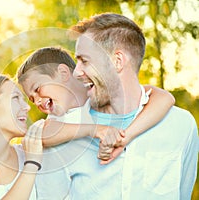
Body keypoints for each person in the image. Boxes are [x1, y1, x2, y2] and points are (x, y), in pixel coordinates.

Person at [17, 46, 176, 199]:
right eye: (31, 99)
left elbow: (165, 98)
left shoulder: (101, 96)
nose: (37, 101)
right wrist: (95, 130)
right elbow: (42, 134)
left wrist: (125, 137)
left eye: (37, 89)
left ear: (64, 73)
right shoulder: (58, 120)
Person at [68, 13, 198, 199]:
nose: (76, 72)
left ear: (117, 61)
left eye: (85, 61)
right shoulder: (68, 127)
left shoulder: (181, 125)